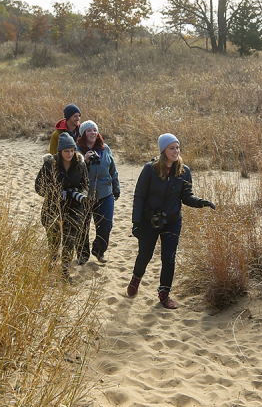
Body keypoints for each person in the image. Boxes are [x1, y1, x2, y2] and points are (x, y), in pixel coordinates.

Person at [127, 133, 215, 309]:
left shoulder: (184, 171)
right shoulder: (149, 169)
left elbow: (186, 197)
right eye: (172, 148)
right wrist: (136, 223)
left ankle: (164, 294)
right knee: (145, 254)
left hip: (173, 220)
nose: (176, 151)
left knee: (169, 259)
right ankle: (136, 278)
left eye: (177, 147)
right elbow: (139, 196)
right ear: (163, 150)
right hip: (149, 220)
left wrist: (200, 202)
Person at [36, 132, 90, 281]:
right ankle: (52, 264)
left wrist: (78, 194)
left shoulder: (80, 163)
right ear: (60, 151)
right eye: (66, 151)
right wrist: (56, 193)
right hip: (52, 208)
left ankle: (65, 272)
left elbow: (86, 186)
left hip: (74, 209)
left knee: (69, 241)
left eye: (72, 150)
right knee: (54, 242)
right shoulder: (50, 164)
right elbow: (38, 187)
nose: (70, 153)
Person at [76, 120, 119, 264]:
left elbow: (113, 170)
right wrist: (85, 163)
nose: (92, 133)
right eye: (89, 130)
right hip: (84, 196)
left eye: (94, 130)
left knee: (106, 226)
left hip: (105, 194)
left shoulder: (105, 148)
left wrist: (116, 188)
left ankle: (99, 251)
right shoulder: (76, 150)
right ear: (83, 134)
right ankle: (82, 255)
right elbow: (74, 174)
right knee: (82, 227)